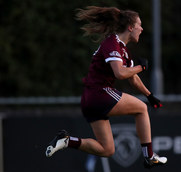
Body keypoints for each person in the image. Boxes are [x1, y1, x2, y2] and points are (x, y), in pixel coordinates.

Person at [45, 6, 167, 168]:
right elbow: (119, 73)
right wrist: (141, 67)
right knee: (141, 109)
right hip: (100, 93)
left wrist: (149, 95)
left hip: (90, 99)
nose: (142, 28)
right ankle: (149, 156)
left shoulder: (123, 50)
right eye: (139, 25)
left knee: (107, 149)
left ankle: (66, 141)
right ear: (130, 27)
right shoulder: (113, 43)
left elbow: (133, 78)